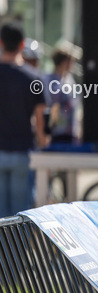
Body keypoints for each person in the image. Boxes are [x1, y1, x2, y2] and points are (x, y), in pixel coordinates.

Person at [0, 22, 47, 217]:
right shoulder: (32, 77)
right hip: (22, 151)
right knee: (20, 217)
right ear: (22, 45)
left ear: (0, 42)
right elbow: (41, 116)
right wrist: (44, 141)